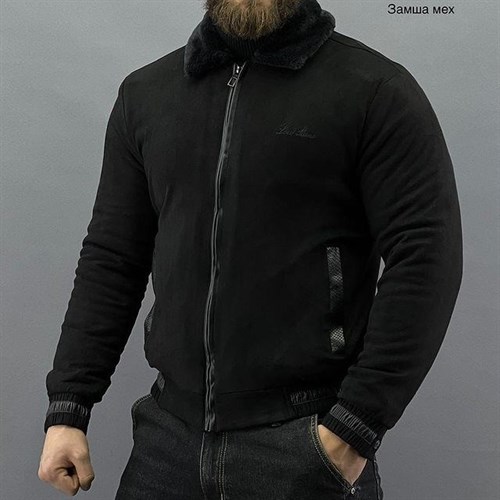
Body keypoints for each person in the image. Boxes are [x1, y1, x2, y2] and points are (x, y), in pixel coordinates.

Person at [38, 0, 463, 498]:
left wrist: (355, 427)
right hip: (165, 445)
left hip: (306, 441)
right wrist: (69, 406)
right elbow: (112, 258)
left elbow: (426, 256)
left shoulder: (374, 90)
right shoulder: (146, 94)